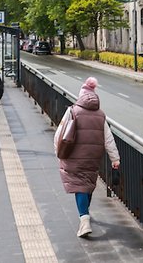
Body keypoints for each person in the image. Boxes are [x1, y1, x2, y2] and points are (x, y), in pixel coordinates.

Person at [53, 76, 120, 238]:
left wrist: (58, 152)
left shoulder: (73, 111)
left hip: (74, 157)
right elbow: (108, 139)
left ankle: (84, 219)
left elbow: (60, 133)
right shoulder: (101, 115)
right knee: (88, 184)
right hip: (93, 157)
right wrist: (115, 158)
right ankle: (86, 212)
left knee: (79, 186)